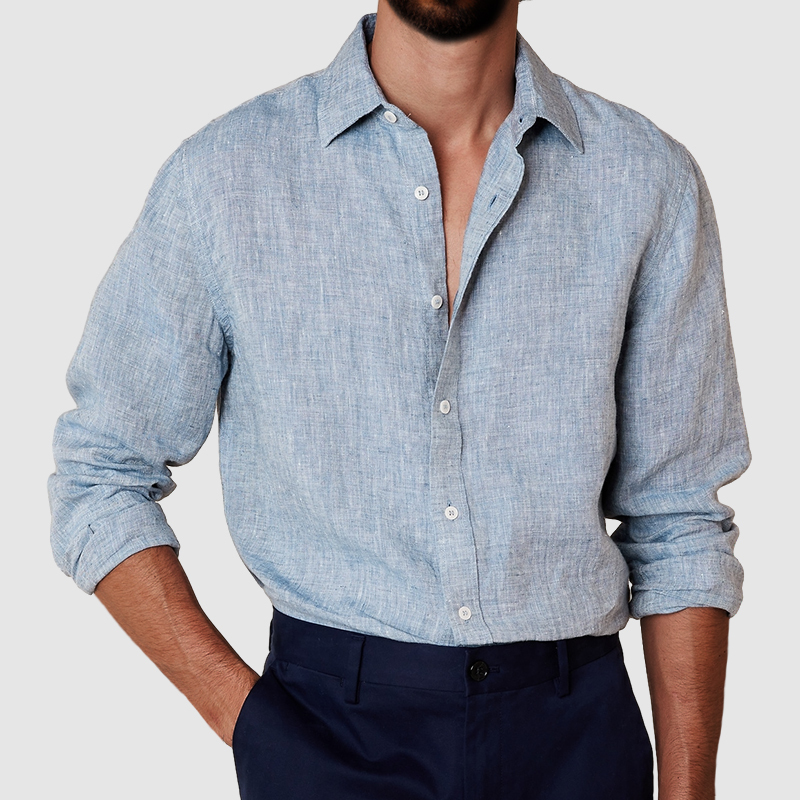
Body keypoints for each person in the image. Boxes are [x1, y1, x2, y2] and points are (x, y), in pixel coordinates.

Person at [48, 1, 750, 798]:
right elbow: (100, 475)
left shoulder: (644, 178)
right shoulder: (227, 177)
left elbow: (678, 521)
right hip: (326, 732)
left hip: (576, 742)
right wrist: (248, 721)